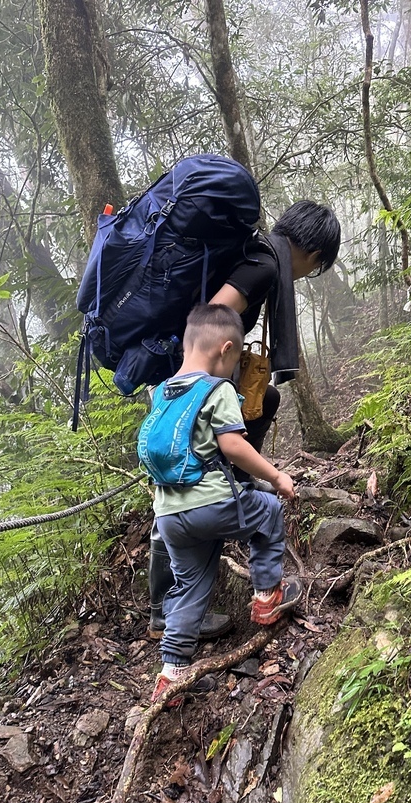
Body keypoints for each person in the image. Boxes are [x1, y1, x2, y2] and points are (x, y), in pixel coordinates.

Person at [147, 200, 341, 639]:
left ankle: (230, 480)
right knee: (181, 480)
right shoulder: (265, 266)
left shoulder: (257, 254)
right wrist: (214, 386)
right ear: (311, 253)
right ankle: (163, 609)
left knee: (265, 399)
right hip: (184, 385)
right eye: (316, 266)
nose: (308, 274)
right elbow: (212, 317)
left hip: (182, 383)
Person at [146, 303, 302, 704]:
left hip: (169, 517)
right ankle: (267, 595)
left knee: (189, 585)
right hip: (211, 504)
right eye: (236, 359)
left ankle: (172, 674)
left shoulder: (162, 392)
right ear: (226, 349)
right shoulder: (218, 390)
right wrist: (276, 476)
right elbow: (233, 444)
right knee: (266, 511)